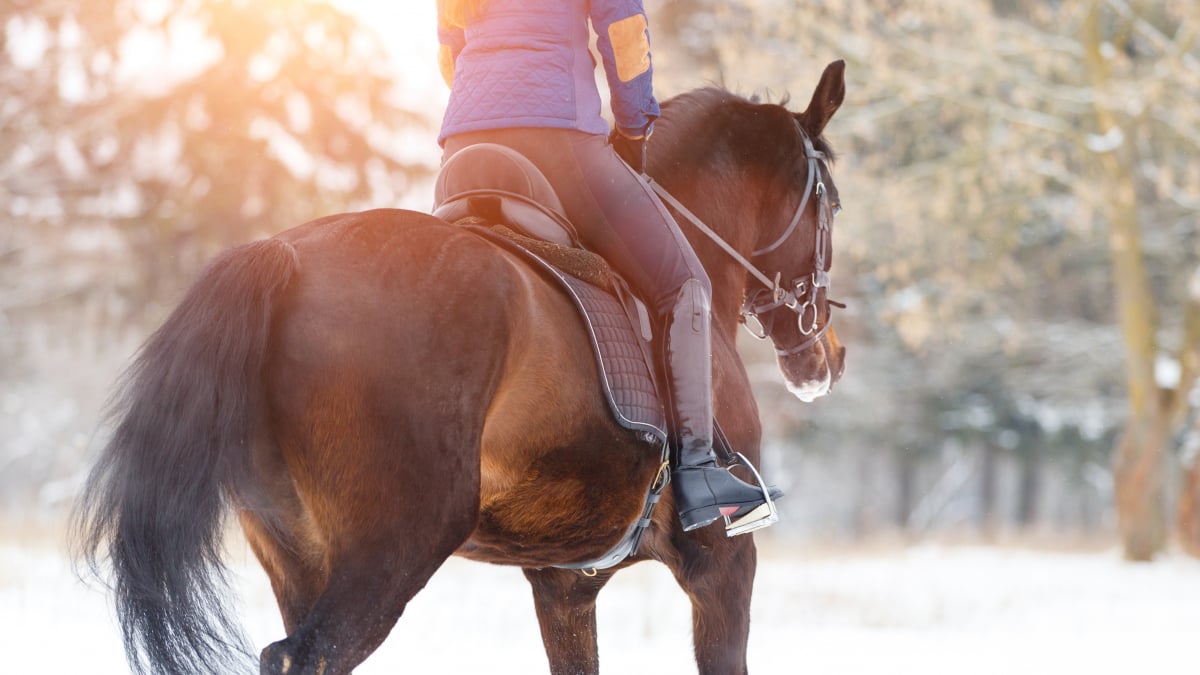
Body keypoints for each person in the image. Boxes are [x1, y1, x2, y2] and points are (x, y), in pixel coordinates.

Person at [436, 0, 780, 533]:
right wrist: (633, 130)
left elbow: (449, 44)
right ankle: (698, 472)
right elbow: (623, 31)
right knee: (684, 285)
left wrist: (484, 103)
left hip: (462, 142)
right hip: (556, 135)